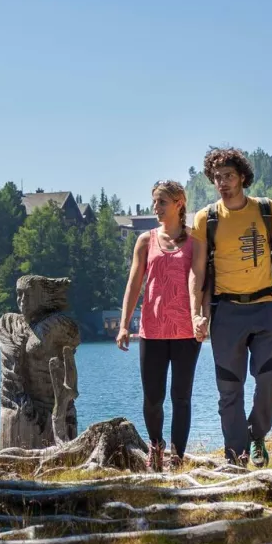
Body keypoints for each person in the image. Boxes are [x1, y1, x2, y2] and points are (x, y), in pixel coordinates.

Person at [189, 147, 272, 468]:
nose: (222, 183)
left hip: (265, 307)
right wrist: (196, 313)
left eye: (228, 176)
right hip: (226, 314)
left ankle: (256, 436)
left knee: (270, 378)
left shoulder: (267, 211)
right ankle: (236, 456)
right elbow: (197, 270)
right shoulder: (206, 218)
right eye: (217, 178)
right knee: (230, 389)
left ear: (242, 177)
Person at [116, 179, 199, 470]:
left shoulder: (194, 241)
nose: (156, 208)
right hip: (151, 330)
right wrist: (124, 324)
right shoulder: (146, 240)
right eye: (154, 202)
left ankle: (177, 456)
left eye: (161, 202)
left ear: (179, 204)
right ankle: (156, 447)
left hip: (186, 331)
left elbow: (201, 282)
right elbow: (134, 284)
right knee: (153, 397)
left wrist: (202, 317)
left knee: (181, 397)